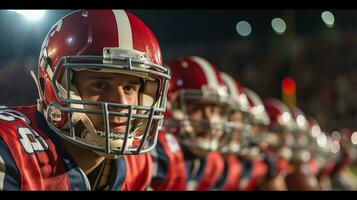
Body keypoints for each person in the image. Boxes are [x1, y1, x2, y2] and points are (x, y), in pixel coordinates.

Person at [0, 9, 170, 190]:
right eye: (100, 85)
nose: (121, 103)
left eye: (129, 88)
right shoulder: (10, 149)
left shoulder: (137, 164)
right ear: (53, 85)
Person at [165, 55, 227, 190]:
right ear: (168, 106)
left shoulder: (214, 163)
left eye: (215, 110)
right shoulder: (159, 156)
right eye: (197, 109)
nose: (210, 121)